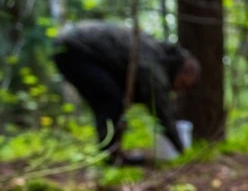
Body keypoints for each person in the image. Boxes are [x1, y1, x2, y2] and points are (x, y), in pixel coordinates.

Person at [52, 21, 201, 164]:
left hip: (75, 46)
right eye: (182, 84)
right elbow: (159, 104)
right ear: (181, 71)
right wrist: (181, 149)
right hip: (76, 48)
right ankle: (111, 156)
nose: (177, 90)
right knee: (110, 102)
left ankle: (113, 153)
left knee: (112, 100)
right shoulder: (153, 61)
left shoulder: (156, 54)